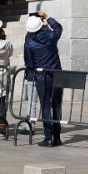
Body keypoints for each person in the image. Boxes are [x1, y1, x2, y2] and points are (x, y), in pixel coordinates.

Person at [24, 11, 64, 146]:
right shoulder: (50, 36)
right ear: (41, 25)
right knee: (57, 105)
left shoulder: (28, 42)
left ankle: (48, 137)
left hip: (42, 77)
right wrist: (47, 17)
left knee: (45, 106)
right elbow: (58, 27)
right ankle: (57, 137)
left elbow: (29, 63)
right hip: (57, 75)